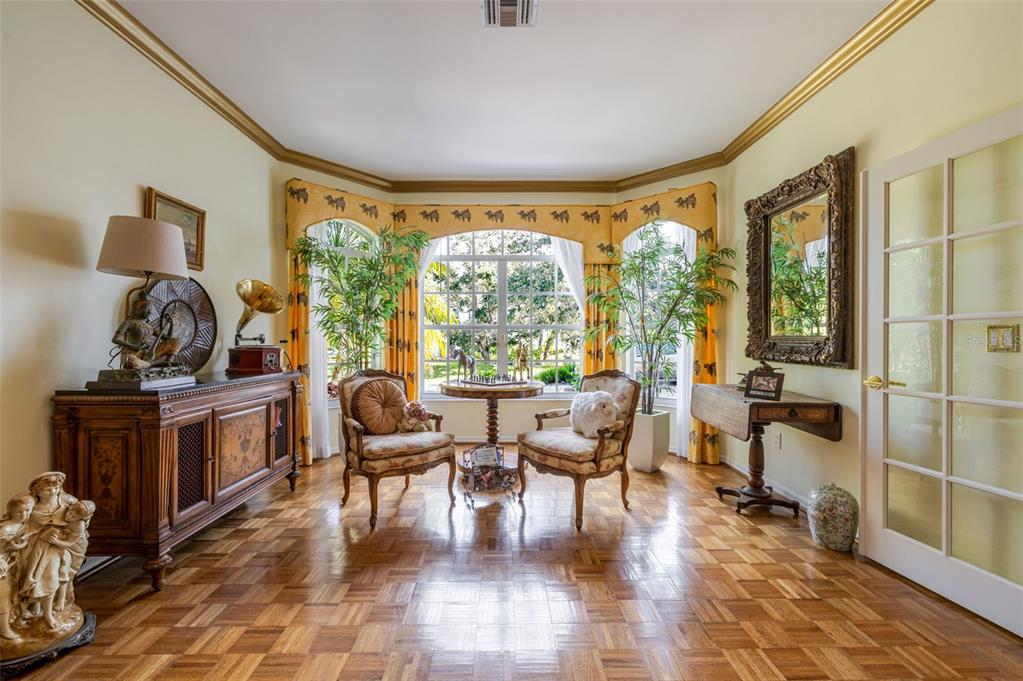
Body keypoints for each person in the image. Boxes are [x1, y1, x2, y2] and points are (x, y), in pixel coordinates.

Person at [0, 494, 34, 641]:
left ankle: (17, 618)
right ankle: (4, 629)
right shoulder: (5, 528)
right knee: (3, 596)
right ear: (11, 512)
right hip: (3, 565)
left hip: (15, 565)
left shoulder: (25, 525)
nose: (24, 514)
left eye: (27, 510)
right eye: (19, 511)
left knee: (16, 591)